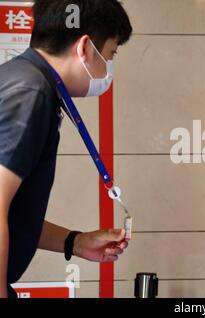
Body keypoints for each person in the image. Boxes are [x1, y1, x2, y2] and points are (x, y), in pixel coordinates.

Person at [0, 0, 132, 298]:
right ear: (84, 48)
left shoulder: (21, 79)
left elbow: (11, 213)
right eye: (110, 53)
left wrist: (75, 242)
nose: (109, 66)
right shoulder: (29, 92)